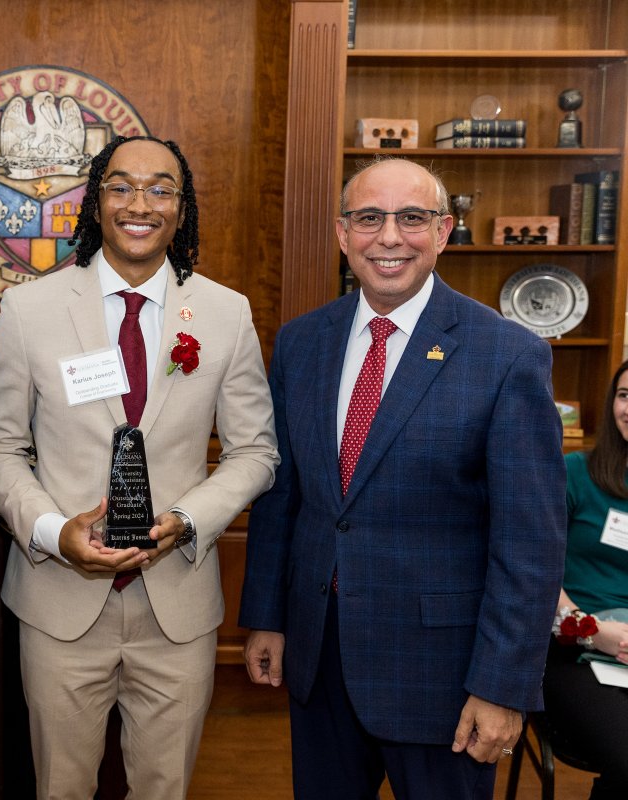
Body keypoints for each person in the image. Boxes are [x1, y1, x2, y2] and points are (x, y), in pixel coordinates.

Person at [239, 156, 567, 800]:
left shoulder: (506, 355)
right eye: (369, 218)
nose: (389, 237)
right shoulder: (303, 343)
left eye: (411, 218)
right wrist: (268, 617)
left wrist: (501, 685)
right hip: (319, 658)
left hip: (442, 678)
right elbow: (285, 497)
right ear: (342, 233)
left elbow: (530, 544)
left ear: (443, 232)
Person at [0, 135, 279, 798]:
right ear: (95, 203)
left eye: (160, 188)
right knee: (60, 788)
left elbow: (256, 450)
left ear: (182, 207)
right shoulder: (29, 311)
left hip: (176, 605)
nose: (138, 203)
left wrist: (185, 518)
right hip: (60, 604)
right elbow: (0, 448)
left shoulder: (226, 314)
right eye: (120, 186)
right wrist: (56, 533)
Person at [542, 360, 628, 799]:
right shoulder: (576, 472)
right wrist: (594, 631)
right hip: (574, 648)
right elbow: (534, 569)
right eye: (625, 394)